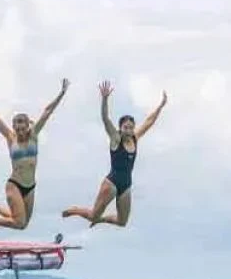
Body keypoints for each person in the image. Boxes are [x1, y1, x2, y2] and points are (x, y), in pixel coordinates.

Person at [63, 80, 168, 227]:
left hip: (126, 185)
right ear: (120, 128)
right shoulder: (115, 139)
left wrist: (161, 106)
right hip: (111, 183)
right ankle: (76, 210)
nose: (129, 130)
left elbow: (149, 122)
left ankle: (100, 220)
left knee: (122, 222)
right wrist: (105, 99)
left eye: (131, 128)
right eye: (126, 127)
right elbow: (105, 119)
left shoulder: (134, 138)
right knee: (93, 216)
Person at [0, 78, 70, 236]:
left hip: (30, 187)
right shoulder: (10, 138)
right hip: (15, 185)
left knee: (22, 224)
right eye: (16, 125)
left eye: (21, 124)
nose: (18, 127)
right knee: (18, 221)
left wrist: (62, 93)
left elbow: (47, 112)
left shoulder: (34, 136)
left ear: (27, 125)